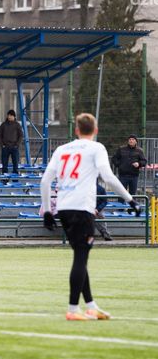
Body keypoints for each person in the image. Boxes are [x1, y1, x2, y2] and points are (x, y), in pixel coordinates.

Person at [40, 113, 140, 321]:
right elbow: (108, 177)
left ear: (76, 130)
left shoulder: (61, 149)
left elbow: (45, 180)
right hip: (82, 208)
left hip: (64, 208)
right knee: (80, 258)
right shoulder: (96, 148)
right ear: (95, 130)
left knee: (80, 255)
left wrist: (47, 210)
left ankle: (91, 306)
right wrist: (130, 199)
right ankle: (73, 309)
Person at [111, 134, 147, 198]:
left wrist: (139, 164)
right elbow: (114, 158)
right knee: (121, 194)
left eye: (133, 139)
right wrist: (120, 165)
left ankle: (131, 205)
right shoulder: (121, 149)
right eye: (130, 139)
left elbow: (144, 161)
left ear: (136, 141)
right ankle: (121, 205)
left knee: (132, 195)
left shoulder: (139, 151)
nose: (131, 141)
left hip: (134, 176)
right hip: (123, 175)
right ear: (128, 141)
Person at [0, 110, 23, 174]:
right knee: (4, 164)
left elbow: (21, 135)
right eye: (8, 115)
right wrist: (2, 145)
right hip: (5, 147)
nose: (9, 117)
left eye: (11, 115)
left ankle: (15, 178)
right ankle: (4, 178)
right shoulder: (3, 125)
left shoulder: (17, 125)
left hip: (14, 147)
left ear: (14, 116)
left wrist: (17, 145)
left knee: (15, 164)